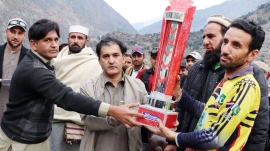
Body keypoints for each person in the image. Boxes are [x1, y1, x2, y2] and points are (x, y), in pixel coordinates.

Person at [0, 19, 143, 151]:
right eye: (47, 40)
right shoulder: (35, 69)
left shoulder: (138, 87)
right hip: (21, 139)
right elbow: (65, 97)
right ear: (33, 44)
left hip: (36, 136)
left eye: (56, 39)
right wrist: (114, 111)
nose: (54, 44)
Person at [148, 18, 265, 151]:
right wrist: (180, 94)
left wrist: (174, 136)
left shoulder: (246, 85)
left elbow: (215, 137)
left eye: (236, 45)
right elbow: (208, 112)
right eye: (225, 42)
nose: (225, 50)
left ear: (252, 54)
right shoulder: (228, 80)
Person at [79, 37, 147, 151]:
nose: (111, 61)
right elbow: (88, 119)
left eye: (116, 55)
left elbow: (148, 115)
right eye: (106, 56)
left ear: (123, 58)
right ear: (99, 60)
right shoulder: (87, 87)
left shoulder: (138, 86)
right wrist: (117, 116)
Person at [50, 25, 103, 151]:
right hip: (54, 117)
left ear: (86, 41)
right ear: (68, 39)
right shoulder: (56, 59)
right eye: (73, 37)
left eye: (80, 38)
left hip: (79, 120)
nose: (76, 40)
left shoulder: (94, 63)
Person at [0, 18, 29, 123]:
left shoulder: (30, 57)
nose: (16, 36)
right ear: (6, 31)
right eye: (12, 32)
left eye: (20, 33)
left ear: (24, 35)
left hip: (18, 111)